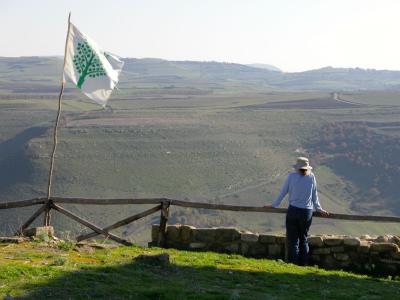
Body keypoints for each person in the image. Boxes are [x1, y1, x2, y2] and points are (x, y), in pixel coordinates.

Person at [264, 157, 329, 266]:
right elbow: (314, 196)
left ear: (297, 168)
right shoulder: (311, 177)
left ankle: (293, 264)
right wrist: (319, 209)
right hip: (307, 212)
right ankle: (304, 264)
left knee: (293, 240)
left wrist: (274, 205)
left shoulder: (291, 177)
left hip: (293, 211)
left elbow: (283, 192)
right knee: (304, 238)